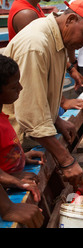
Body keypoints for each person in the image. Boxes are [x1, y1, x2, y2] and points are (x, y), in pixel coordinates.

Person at [3, 0, 83, 188]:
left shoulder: (58, 39)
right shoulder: (35, 45)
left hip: (29, 137)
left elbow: (42, 92)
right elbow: (30, 114)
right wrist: (66, 160)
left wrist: (56, 119)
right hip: (14, 141)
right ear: (70, 20)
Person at [7, 0, 83, 112]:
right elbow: (42, 57)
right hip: (31, 86)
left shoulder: (33, 6)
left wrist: (71, 69)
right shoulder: (26, 15)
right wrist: (63, 102)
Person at [0, 55, 45, 203]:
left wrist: (21, 156)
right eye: (14, 86)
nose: (20, 88)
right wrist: (13, 180)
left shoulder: (3, 118)